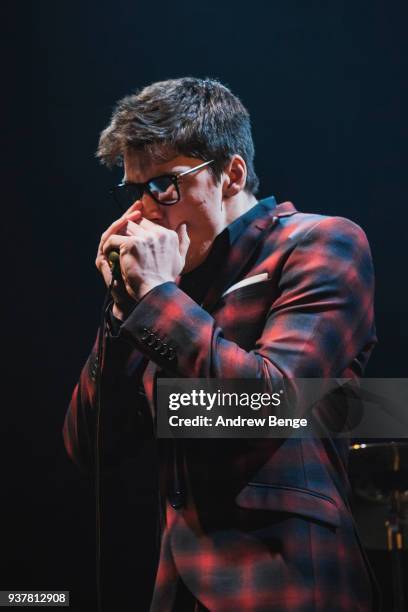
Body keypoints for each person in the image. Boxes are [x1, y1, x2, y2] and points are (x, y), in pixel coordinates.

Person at [63, 77, 379, 611]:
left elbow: (267, 405)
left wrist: (159, 297)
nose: (142, 212)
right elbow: (89, 447)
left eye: (164, 184)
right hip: (178, 589)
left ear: (231, 174)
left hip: (289, 583)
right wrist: (122, 314)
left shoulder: (320, 243)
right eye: (134, 190)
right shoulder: (167, 291)